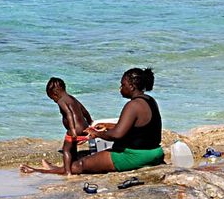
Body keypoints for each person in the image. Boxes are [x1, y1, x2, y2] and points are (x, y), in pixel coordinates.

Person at [20, 67, 164, 175]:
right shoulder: (149, 101)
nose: (120, 88)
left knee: (82, 164)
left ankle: (40, 171)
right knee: (93, 157)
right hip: (154, 153)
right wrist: (107, 126)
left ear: (131, 87)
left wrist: (95, 133)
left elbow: (117, 135)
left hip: (135, 156)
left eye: (122, 85)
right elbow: (139, 128)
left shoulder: (132, 105)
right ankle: (57, 169)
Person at [20, 77, 93, 176]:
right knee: (73, 147)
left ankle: (68, 172)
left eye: (52, 98)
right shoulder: (72, 98)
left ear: (56, 93)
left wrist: (72, 130)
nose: (54, 101)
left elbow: (68, 114)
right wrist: (90, 122)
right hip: (84, 128)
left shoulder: (61, 101)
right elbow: (84, 111)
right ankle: (73, 162)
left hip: (75, 130)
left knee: (66, 149)